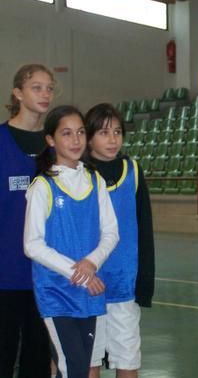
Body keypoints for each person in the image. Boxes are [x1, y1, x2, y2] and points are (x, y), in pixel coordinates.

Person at [23, 105, 119, 378]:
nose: (76, 140)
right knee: (72, 368)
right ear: (51, 140)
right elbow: (32, 244)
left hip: (89, 294)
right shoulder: (43, 186)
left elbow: (111, 232)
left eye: (80, 132)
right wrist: (81, 274)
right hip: (57, 292)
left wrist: (91, 263)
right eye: (66, 134)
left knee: (79, 367)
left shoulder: (94, 179)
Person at [85, 104, 155, 378]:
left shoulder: (133, 171)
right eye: (104, 133)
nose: (113, 139)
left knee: (127, 358)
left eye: (117, 132)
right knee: (88, 359)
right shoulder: (79, 173)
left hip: (124, 285)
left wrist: (144, 282)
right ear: (89, 137)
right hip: (88, 284)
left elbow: (144, 229)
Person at [0, 64, 54, 378]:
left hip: (45, 275)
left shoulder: (56, 146)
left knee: (38, 359)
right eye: (36, 87)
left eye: (49, 87)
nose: (45, 93)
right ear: (18, 93)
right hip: (5, 273)